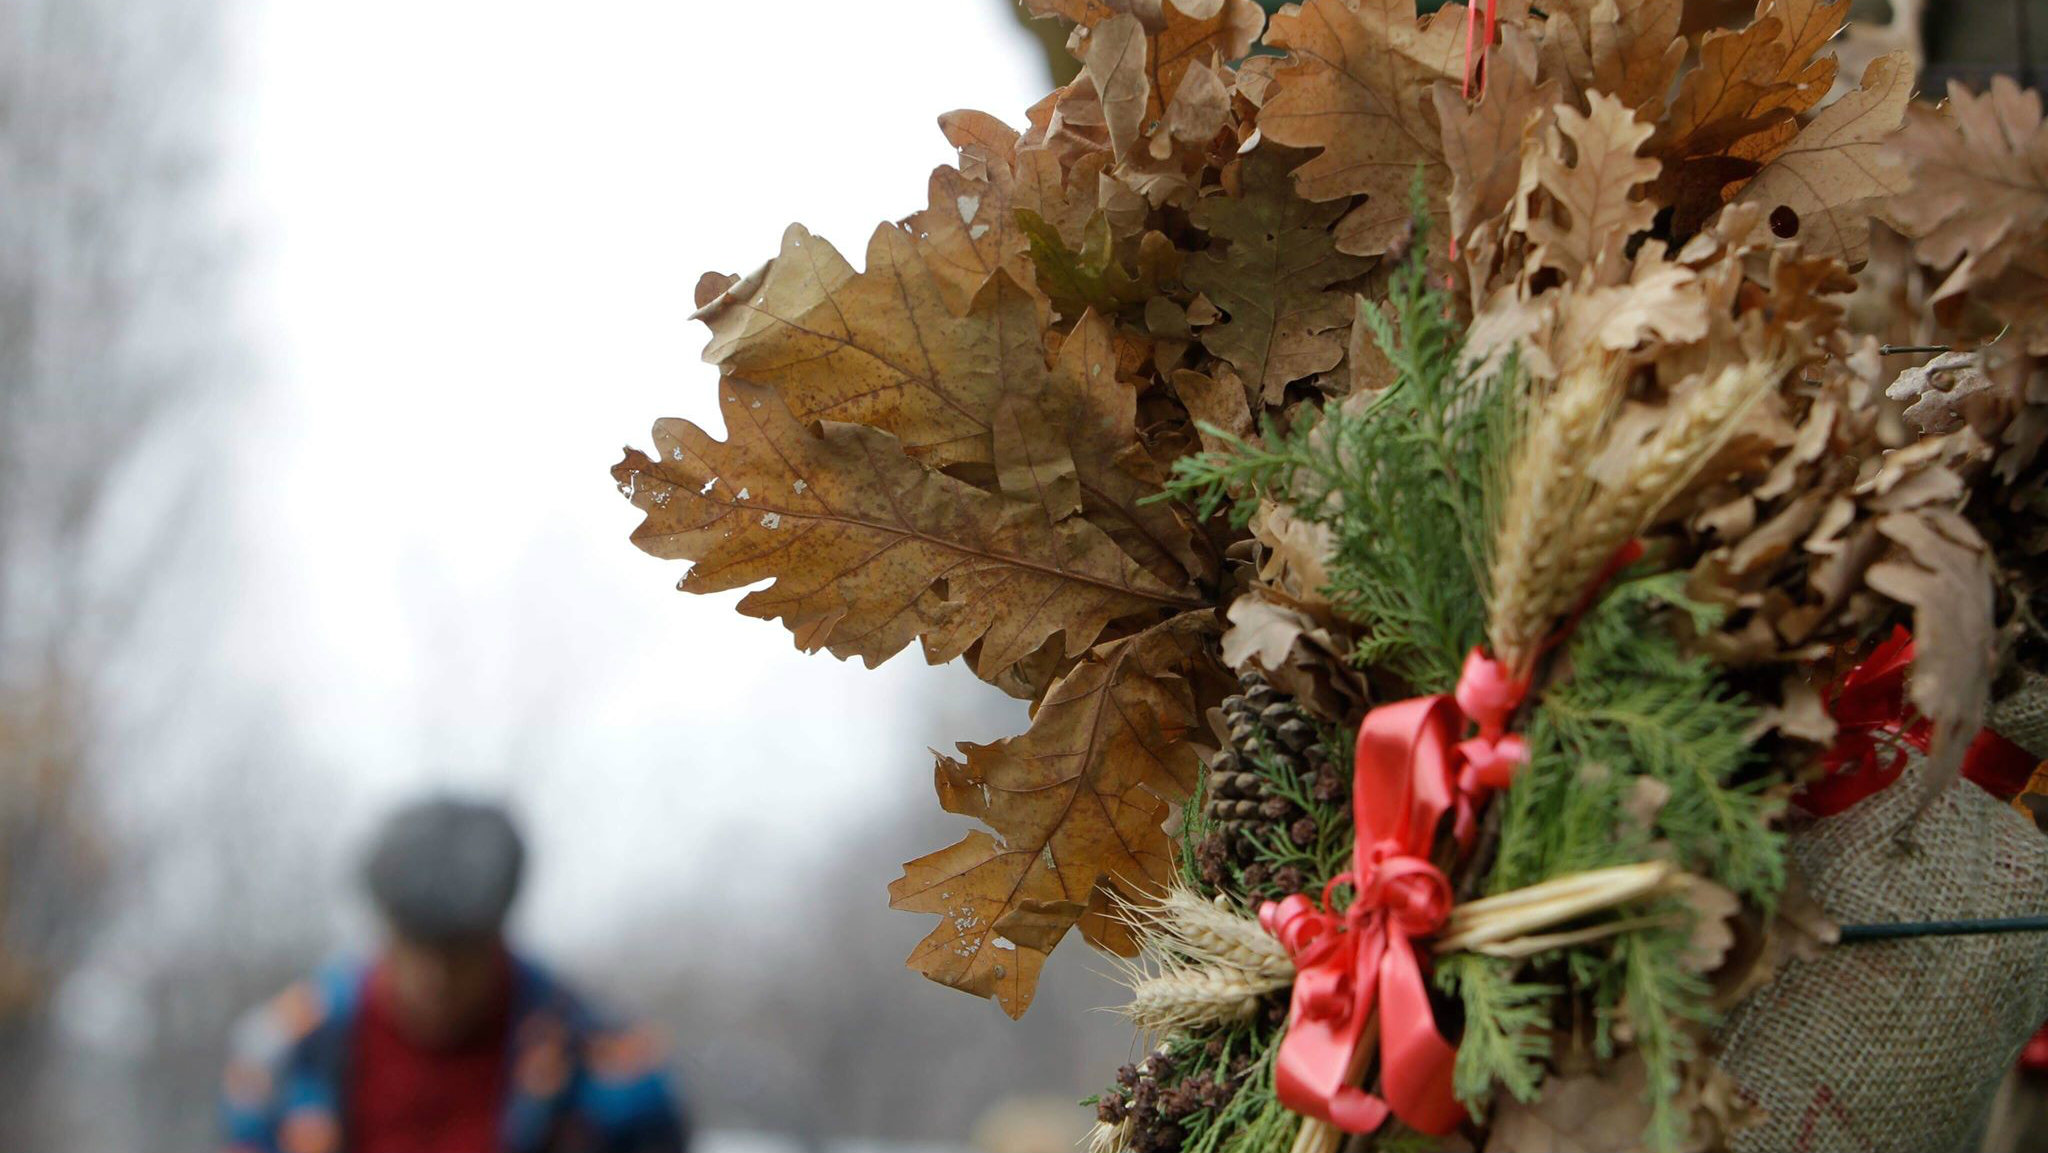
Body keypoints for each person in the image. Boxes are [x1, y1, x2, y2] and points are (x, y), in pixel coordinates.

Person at [221, 797, 689, 1153]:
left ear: (498, 933)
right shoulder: (286, 1051)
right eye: (414, 946)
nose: (435, 976)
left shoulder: (606, 1061)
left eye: (460, 951)